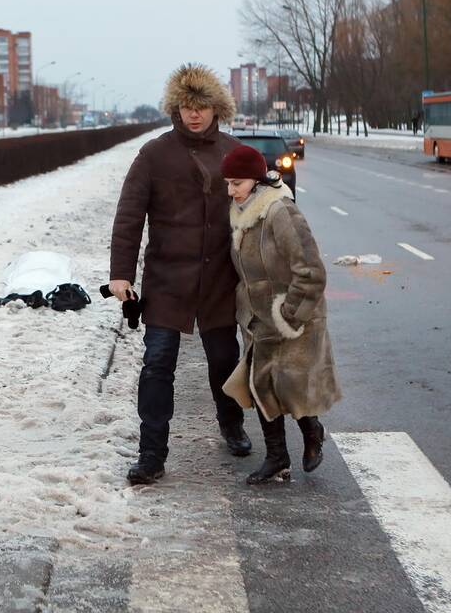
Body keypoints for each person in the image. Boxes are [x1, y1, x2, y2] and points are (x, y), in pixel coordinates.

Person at [110, 63, 250, 485]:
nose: (194, 114)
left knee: (224, 360)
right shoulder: (154, 154)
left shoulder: (232, 152)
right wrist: (121, 273)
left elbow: (258, 213)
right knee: (156, 365)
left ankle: (232, 424)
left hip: (220, 280)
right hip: (167, 281)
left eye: (202, 106)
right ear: (176, 108)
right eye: (186, 106)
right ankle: (151, 454)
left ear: (215, 109)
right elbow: (130, 214)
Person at [220, 145, 342, 484]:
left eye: (237, 183)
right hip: (259, 320)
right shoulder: (242, 213)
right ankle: (277, 457)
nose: (230, 191)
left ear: (257, 183)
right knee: (261, 386)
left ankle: (312, 431)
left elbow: (312, 271)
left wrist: (288, 316)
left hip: (292, 319)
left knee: (290, 387)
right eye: (228, 184)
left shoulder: (280, 212)